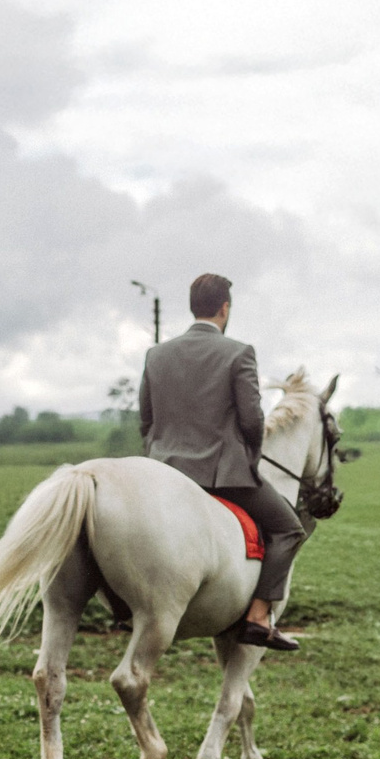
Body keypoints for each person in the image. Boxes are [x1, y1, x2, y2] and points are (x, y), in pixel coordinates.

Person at [137, 271, 305, 651]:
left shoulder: (156, 355)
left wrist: (159, 456)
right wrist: (247, 456)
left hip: (163, 471)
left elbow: (146, 420)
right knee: (289, 529)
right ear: (225, 308)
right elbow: (251, 418)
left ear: (192, 307)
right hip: (221, 473)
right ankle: (259, 618)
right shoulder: (238, 352)